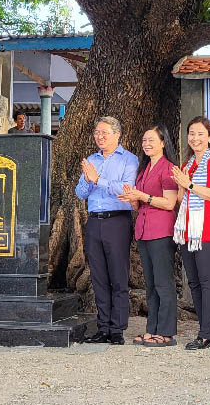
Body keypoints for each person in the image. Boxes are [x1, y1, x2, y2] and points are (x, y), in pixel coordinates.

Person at [75, 116, 138, 345]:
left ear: (117, 135)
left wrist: (98, 179)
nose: (99, 137)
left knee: (118, 276)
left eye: (104, 133)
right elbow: (81, 192)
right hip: (94, 221)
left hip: (117, 221)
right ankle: (102, 327)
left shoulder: (129, 160)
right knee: (99, 276)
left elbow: (125, 188)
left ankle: (117, 329)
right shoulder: (91, 160)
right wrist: (89, 180)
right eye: (97, 133)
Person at [118, 125, 179, 347]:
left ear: (163, 143)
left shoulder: (168, 169)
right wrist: (133, 199)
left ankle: (167, 332)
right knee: (151, 284)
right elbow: (141, 203)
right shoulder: (144, 170)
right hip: (144, 230)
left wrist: (142, 195)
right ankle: (152, 328)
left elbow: (170, 203)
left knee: (164, 282)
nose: (147, 144)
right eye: (144, 140)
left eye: (152, 140)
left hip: (161, 231)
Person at [171, 116, 210, 350]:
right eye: (191, 134)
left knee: (206, 282)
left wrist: (190, 185)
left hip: (208, 231)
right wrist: (180, 184)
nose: (195, 138)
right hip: (187, 230)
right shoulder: (188, 165)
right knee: (193, 282)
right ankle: (205, 329)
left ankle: (208, 333)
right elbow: (180, 199)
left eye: (200, 134)